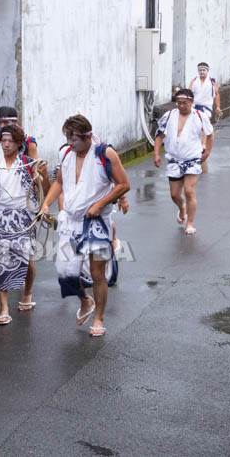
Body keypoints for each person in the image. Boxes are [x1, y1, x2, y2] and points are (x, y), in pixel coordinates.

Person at [40, 115, 130, 337]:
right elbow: (60, 183)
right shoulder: (66, 153)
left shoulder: (105, 153)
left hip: (96, 222)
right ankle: (85, 301)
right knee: (64, 272)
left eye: (75, 140)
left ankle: (98, 318)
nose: (70, 144)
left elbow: (123, 184)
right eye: (67, 139)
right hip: (71, 221)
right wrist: (45, 203)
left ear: (88, 136)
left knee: (98, 273)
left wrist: (100, 204)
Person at [0, 125, 46, 324]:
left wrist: (40, 175)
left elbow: (43, 187)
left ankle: (27, 293)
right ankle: (4, 308)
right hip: (1, 218)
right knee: (1, 263)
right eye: (3, 141)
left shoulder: (27, 164)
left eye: (10, 141)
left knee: (28, 262)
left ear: (18, 143)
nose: (6, 144)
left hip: (24, 218)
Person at [0, 106, 41, 289]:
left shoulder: (27, 141)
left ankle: (25, 287)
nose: (2, 125)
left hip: (21, 199)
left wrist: (40, 202)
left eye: (7, 121)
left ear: (15, 122)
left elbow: (35, 170)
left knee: (24, 249)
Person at [153, 88, 214, 235]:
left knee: (189, 191)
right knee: (174, 194)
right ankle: (182, 208)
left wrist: (207, 152)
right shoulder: (169, 116)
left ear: (191, 102)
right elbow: (160, 136)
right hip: (174, 159)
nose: (181, 106)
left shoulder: (200, 116)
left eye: (184, 103)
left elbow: (210, 134)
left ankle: (190, 223)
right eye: (178, 103)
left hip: (192, 158)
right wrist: (156, 154)